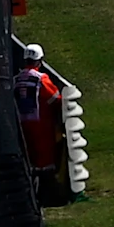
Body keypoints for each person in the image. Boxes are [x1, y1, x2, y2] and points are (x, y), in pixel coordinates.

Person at [13, 43, 73, 204]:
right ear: (39, 62)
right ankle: (48, 198)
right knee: (45, 164)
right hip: (41, 127)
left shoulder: (16, 80)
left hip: (22, 126)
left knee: (30, 163)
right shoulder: (42, 79)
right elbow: (56, 100)